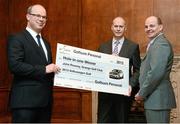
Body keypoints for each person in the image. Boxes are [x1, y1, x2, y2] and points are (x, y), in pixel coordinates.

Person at [7, 4, 60, 123]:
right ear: (28, 17)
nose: (41, 19)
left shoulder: (46, 43)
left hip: (45, 103)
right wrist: (44, 69)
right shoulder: (16, 38)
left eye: (44, 17)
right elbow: (15, 65)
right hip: (25, 103)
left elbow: (49, 69)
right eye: (37, 15)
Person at [97, 16, 141, 123]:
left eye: (121, 26)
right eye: (116, 26)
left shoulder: (133, 46)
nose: (118, 29)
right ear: (111, 27)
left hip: (123, 95)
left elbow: (138, 70)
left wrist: (131, 85)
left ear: (125, 28)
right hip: (105, 95)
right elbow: (97, 68)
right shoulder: (102, 47)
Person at [135, 16, 176, 123]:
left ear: (160, 27)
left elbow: (155, 73)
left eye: (152, 26)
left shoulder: (160, 44)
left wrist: (141, 93)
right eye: (146, 26)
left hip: (158, 100)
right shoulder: (155, 43)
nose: (148, 29)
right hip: (155, 100)